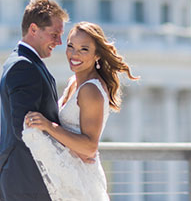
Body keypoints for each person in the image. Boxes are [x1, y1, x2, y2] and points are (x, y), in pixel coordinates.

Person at [23, 21, 139, 201]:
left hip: (81, 182)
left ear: (97, 55)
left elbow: (90, 147)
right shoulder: (74, 82)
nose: (74, 54)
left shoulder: (90, 90)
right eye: (71, 46)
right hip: (70, 175)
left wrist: (48, 126)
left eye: (84, 49)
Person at [0, 0, 69, 200]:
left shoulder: (22, 61)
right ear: (33, 29)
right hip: (28, 179)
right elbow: (26, 129)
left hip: (25, 178)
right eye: (54, 34)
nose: (59, 42)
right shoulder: (23, 66)